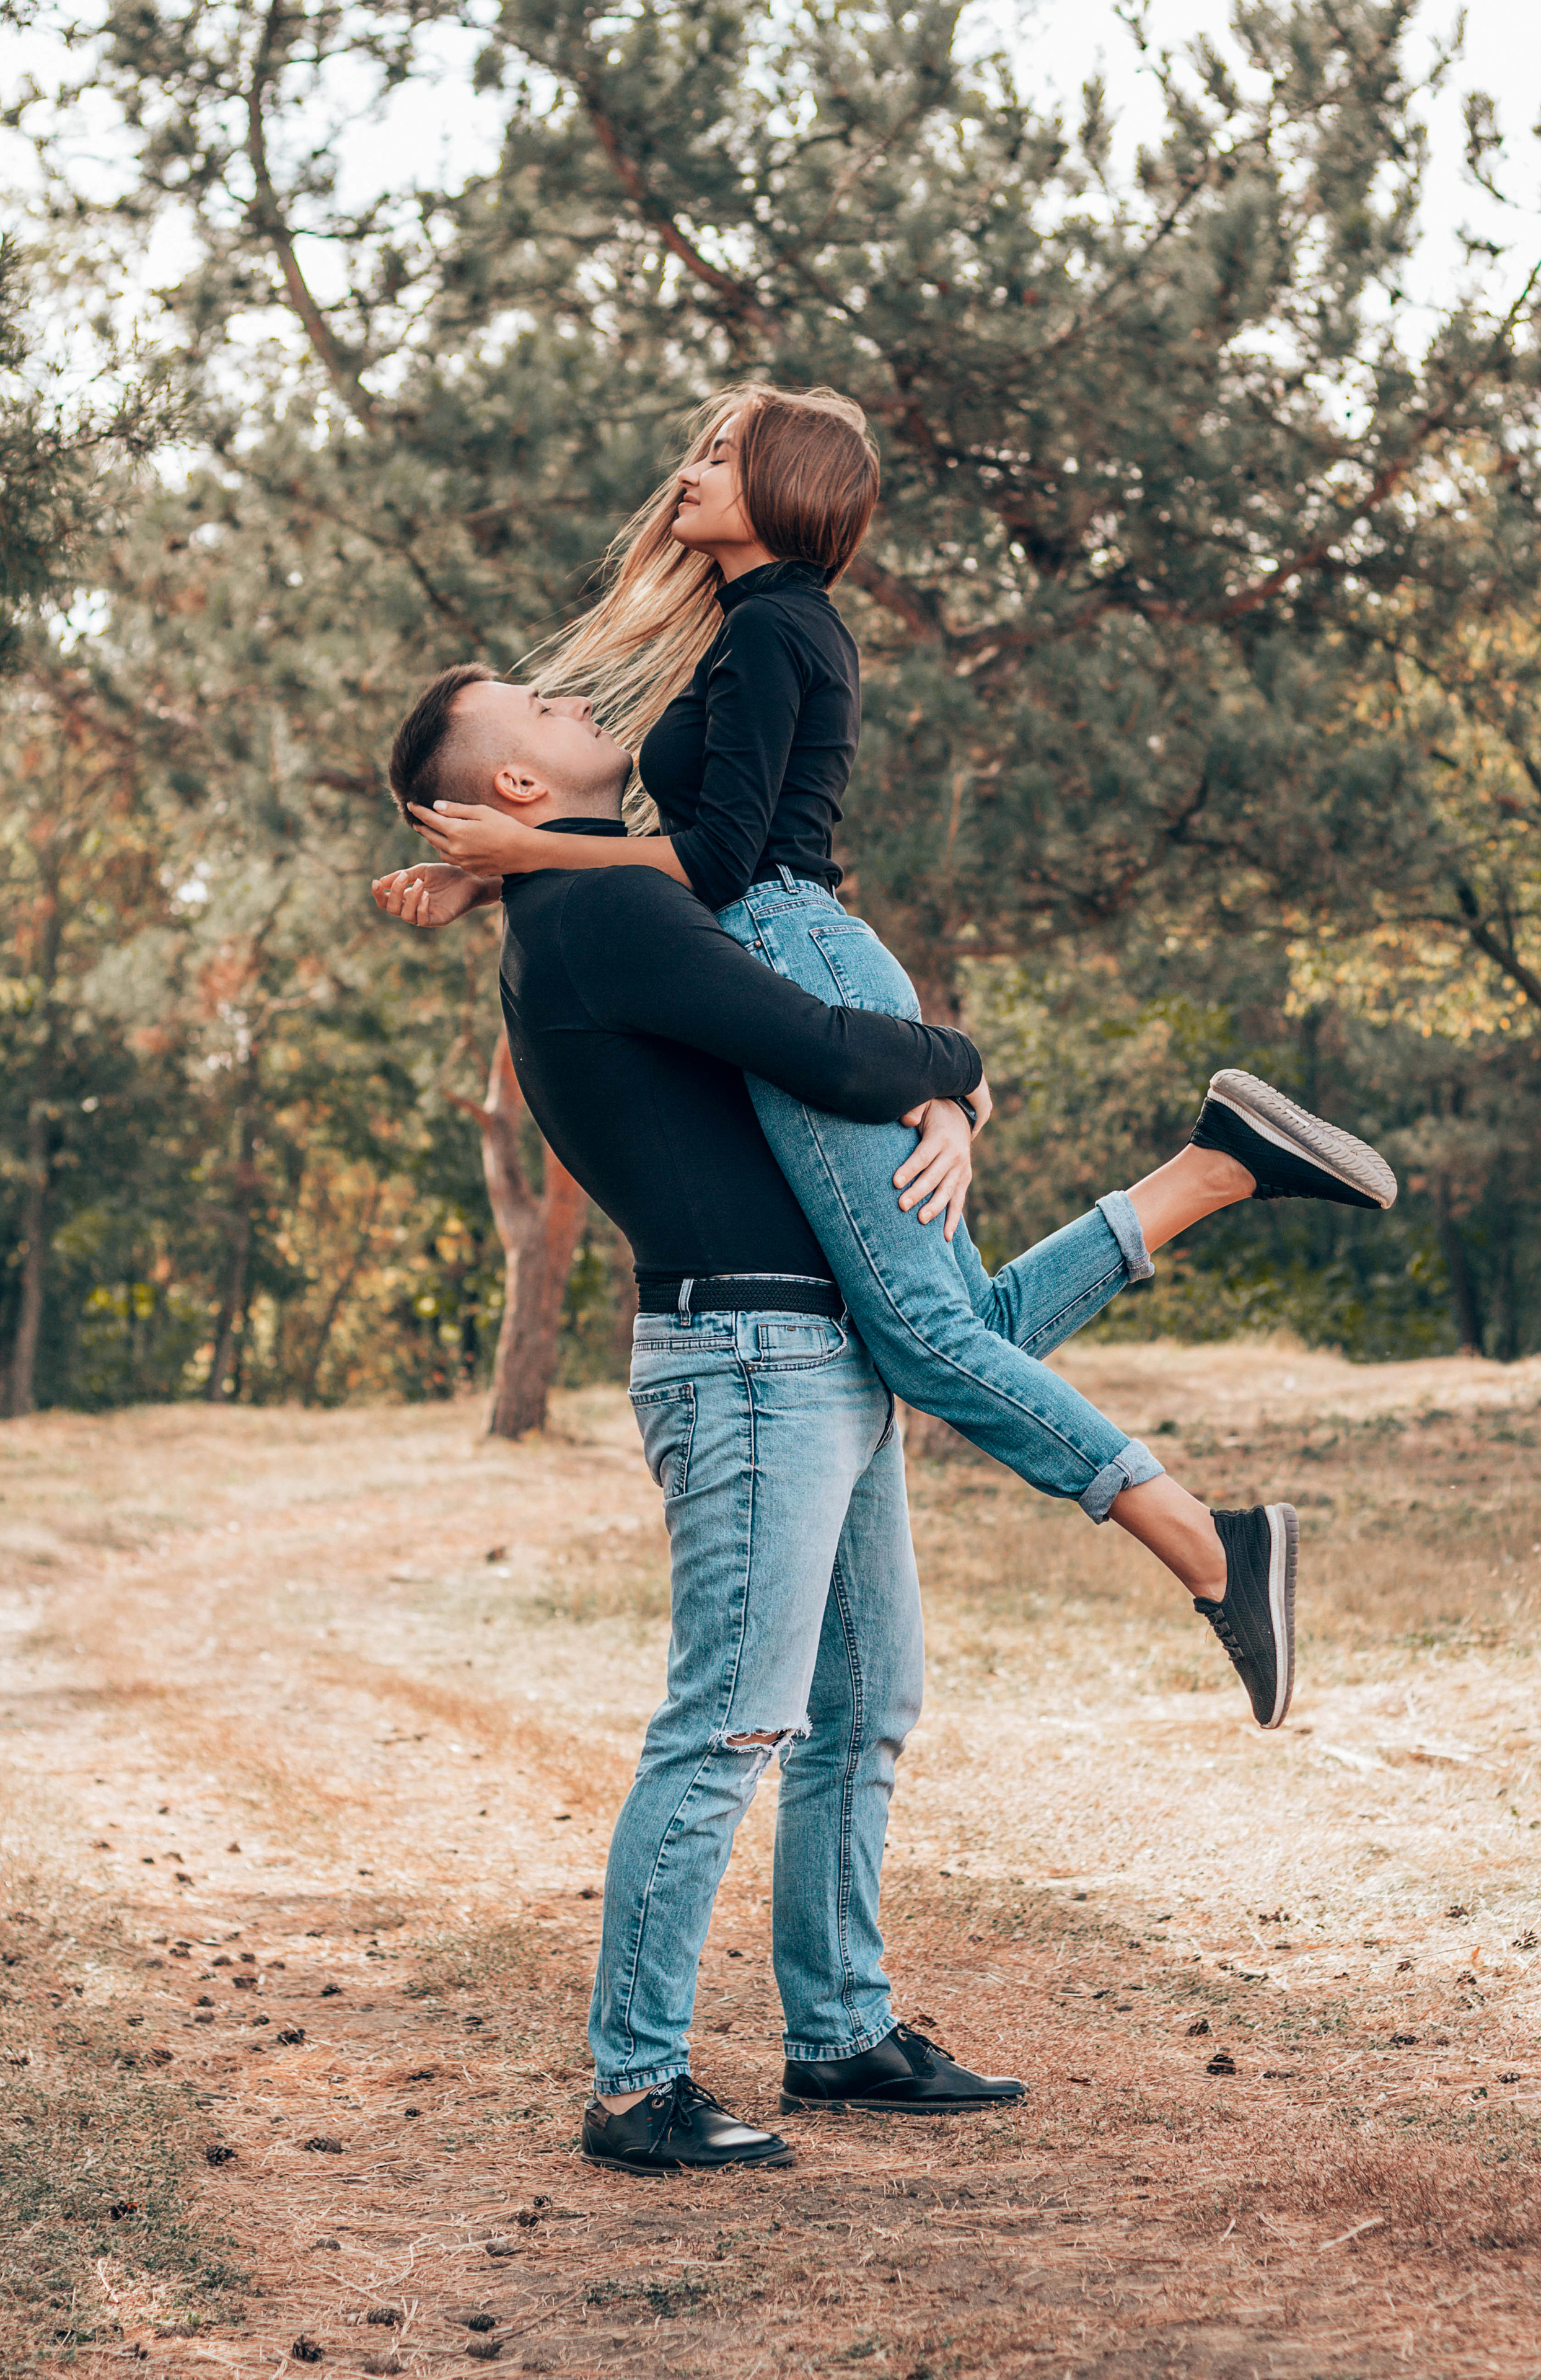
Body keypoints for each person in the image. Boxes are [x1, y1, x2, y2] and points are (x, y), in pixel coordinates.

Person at [370, 698, 1360, 2172]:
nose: (582, 701)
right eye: (547, 709)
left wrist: (926, 1093)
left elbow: (800, 1024)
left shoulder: (599, 901)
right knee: (731, 1724)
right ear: (517, 778)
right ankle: (635, 2084)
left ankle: (839, 2029)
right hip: (749, 1357)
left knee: (863, 1704)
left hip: (803, 1339)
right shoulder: (597, 922)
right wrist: (948, 1072)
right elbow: (824, 1046)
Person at [388, 385, 1398, 1736]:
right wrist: (505, 878)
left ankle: (1217, 1551)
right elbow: (673, 861)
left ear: (783, 488)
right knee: (929, 1326)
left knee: (922, 1338)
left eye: (718, 454)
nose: (685, 473)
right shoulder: (757, 628)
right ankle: (1215, 1170)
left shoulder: (772, 633)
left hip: (801, 958)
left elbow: (717, 863)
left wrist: (528, 854)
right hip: (800, 951)